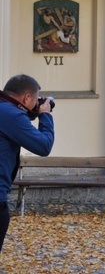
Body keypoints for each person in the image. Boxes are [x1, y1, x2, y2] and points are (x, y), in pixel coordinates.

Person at [0, 74, 54, 253]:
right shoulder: (12, 115)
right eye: (35, 99)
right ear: (26, 98)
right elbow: (43, 146)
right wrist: (44, 115)